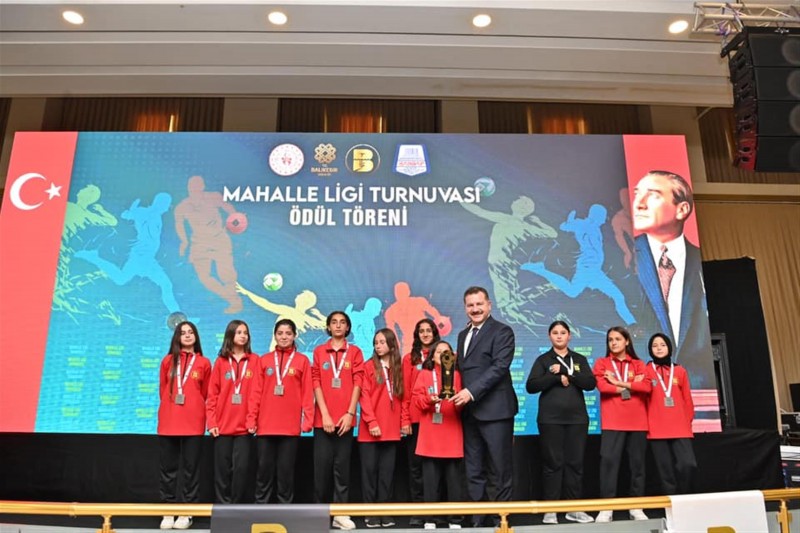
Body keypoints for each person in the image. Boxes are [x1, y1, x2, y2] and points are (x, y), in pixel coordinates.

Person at [632, 170, 712, 386]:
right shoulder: (620, 257)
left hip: (695, 385)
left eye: (653, 195)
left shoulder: (698, 261)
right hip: (640, 382)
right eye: (637, 194)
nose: (639, 204)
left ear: (682, 209)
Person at [452, 286, 517, 527]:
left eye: (479, 304)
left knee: (500, 469)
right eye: (470, 305)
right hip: (470, 413)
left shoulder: (503, 331)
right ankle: (477, 521)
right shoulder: (462, 335)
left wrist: (470, 392)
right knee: (473, 470)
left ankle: (501, 520)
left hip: (496, 411)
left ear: (489, 305)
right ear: (465, 308)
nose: (475, 309)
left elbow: (499, 367)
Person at [525, 320, 596, 524]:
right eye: (555, 333)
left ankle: (574, 509)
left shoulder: (579, 359)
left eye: (563, 332)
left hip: (577, 420)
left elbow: (590, 383)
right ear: (549, 336)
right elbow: (531, 386)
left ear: (569, 336)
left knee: (575, 464)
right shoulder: (543, 360)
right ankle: (551, 510)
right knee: (552, 464)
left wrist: (568, 373)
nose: (559, 336)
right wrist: (554, 377)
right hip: (550, 420)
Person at [247, 318, 314, 504]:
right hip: (265, 426)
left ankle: (285, 509)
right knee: (264, 470)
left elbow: (308, 393)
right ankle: (261, 508)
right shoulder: (264, 360)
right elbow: (255, 393)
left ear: (294, 336)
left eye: (288, 333)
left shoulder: (302, 361)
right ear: (275, 336)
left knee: (286, 471)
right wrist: (251, 419)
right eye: (280, 333)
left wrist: (308, 420)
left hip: (290, 427)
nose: (284, 337)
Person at [311, 311, 364, 531]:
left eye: (342, 322)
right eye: (334, 322)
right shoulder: (318, 351)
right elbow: (315, 382)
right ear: (329, 327)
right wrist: (324, 414)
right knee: (321, 472)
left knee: (342, 470)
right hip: (322, 421)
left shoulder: (355, 352)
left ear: (348, 327)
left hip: (345, 421)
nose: (338, 326)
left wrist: (350, 414)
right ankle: (319, 515)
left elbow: (358, 382)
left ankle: (340, 514)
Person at [593, 326, 652, 523]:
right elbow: (603, 387)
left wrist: (618, 383)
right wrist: (632, 385)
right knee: (608, 463)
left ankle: (636, 506)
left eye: (618, 339)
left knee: (637, 465)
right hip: (613, 421)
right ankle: (606, 507)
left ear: (627, 341)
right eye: (610, 340)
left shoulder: (638, 363)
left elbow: (646, 387)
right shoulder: (602, 363)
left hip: (638, 421)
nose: (614, 343)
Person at [157, 321, 211, 530]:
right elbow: (163, 390)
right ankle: (168, 511)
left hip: (193, 422)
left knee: (191, 470)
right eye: (183, 333)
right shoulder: (167, 361)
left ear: (196, 336)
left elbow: (204, 393)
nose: (187, 335)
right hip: (169, 421)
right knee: (168, 469)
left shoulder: (204, 363)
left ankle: (187, 512)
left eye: (191, 332)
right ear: (177, 338)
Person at [358, 328, 409, 528]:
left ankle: (385, 512)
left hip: (391, 430)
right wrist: (371, 422)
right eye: (376, 343)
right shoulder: (368, 366)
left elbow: (403, 397)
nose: (378, 346)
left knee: (387, 474)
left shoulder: (398, 367)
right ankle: (370, 513)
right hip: (370, 431)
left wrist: (404, 421)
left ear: (391, 344)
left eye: (382, 342)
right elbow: (364, 396)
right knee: (369, 474)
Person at [413, 340, 465, 530]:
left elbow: (462, 406)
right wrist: (429, 399)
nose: (443, 356)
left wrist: (458, 400)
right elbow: (416, 400)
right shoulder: (424, 374)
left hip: (451, 430)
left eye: (446, 352)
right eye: (438, 352)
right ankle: (430, 518)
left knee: (454, 481)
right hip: (430, 433)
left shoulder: (457, 375)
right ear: (432, 355)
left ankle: (455, 519)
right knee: (430, 481)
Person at [174, 175, 243, 314]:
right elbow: (179, 225)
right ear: (188, 188)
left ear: (203, 186)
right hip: (199, 244)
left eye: (197, 185)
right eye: (192, 186)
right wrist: (184, 242)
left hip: (219, 240)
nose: (194, 188)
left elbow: (229, 208)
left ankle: (236, 303)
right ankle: (233, 300)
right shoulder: (182, 206)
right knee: (204, 278)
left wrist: (234, 221)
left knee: (226, 275)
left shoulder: (213, 197)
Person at [206, 320, 258, 504]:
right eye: (239, 332)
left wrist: (252, 420)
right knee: (222, 470)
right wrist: (212, 422)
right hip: (222, 426)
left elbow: (256, 393)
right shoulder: (221, 362)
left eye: (245, 332)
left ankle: (236, 507)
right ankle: (222, 508)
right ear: (230, 335)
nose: (243, 336)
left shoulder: (255, 360)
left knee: (241, 469)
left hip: (244, 427)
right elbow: (212, 394)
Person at [644, 333, 697, 495]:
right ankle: (671, 502)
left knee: (688, 464)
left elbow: (687, 399)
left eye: (663, 345)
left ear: (669, 347)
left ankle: (684, 497)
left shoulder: (680, 370)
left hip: (680, 427)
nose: (659, 348)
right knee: (665, 471)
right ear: (650, 350)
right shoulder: (646, 371)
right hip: (656, 428)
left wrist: (687, 421)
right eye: (655, 346)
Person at [401, 319, 441, 527]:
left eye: (429, 330)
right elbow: (405, 392)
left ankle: (438, 511)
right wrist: (405, 419)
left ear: (435, 333)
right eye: (421, 331)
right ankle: (419, 511)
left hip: (439, 420)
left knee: (438, 467)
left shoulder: (443, 356)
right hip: (416, 420)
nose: (425, 334)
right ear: (417, 335)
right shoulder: (409, 359)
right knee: (416, 467)